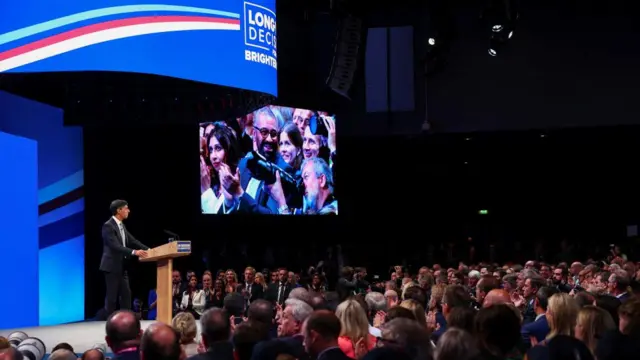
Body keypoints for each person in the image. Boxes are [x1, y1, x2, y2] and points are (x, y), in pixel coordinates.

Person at [100, 200, 150, 315]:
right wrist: (134, 252)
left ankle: (126, 322)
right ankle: (109, 323)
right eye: (126, 208)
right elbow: (115, 246)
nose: (129, 210)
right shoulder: (108, 226)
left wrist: (150, 250)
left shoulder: (122, 226)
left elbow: (133, 241)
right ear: (119, 210)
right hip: (111, 267)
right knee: (112, 297)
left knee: (126, 295)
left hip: (123, 267)